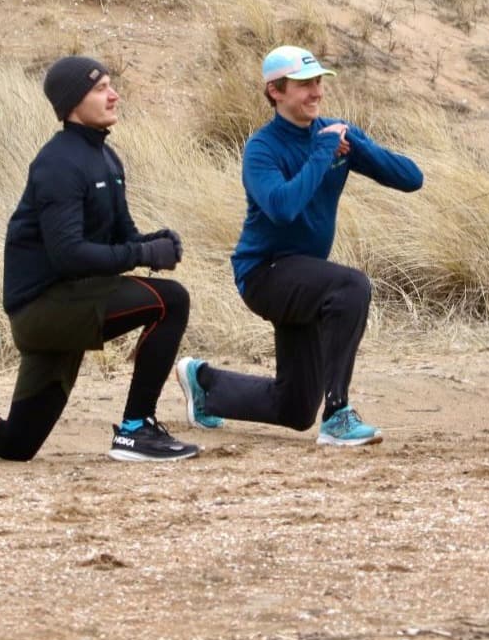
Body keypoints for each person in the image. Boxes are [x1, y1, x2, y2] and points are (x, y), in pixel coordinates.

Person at [0, 56, 199, 462]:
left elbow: (122, 238)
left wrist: (155, 244)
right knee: (172, 300)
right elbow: (68, 254)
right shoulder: (58, 163)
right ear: (73, 102)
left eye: (111, 86)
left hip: (73, 301)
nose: (114, 95)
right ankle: (137, 429)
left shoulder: (107, 159)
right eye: (101, 89)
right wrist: (143, 253)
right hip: (44, 309)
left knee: (16, 444)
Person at [173, 45, 423, 447]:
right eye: (305, 84)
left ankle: (205, 384)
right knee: (352, 286)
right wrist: (323, 152)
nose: (316, 92)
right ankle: (338, 414)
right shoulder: (262, 148)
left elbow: (412, 179)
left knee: (296, 408)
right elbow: (283, 208)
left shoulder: (333, 134)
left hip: (307, 278)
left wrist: (356, 145)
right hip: (264, 275)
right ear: (276, 91)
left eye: (319, 82)